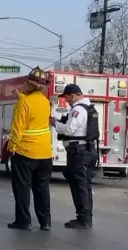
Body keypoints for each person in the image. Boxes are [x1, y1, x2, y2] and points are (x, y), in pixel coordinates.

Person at [7, 67, 53, 231]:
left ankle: (23, 222)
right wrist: (19, 97)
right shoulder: (45, 101)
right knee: (42, 189)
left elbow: (17, 128)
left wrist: (12, 147)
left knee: (22, 188)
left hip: (26, 153)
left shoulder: (24, 103)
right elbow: (35, 112)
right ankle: (45, 222)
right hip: (45, 154)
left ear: (30, 84)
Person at [50, 84, 99, 229]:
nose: (66, 101)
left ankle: (83, 219)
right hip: (89, 151)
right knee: (85, 185)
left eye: (66, 97)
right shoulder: (90, 108)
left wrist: (55, 123)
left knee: (79, 186)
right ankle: (86, 217)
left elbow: (70, 130)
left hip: (79, 153)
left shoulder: (78, 109)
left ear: (72, 95)